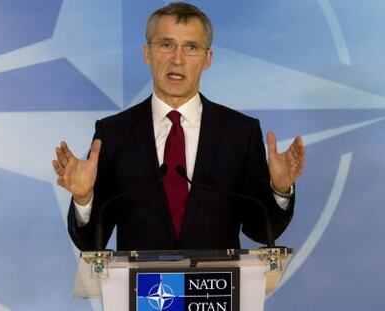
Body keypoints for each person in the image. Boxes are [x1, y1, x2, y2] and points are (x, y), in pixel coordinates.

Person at [52, 2, 305, 251]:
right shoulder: (114, 134)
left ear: (207, 59)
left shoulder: (239, 133)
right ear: (147, 53)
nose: (178, 59)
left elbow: (260, 229)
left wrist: (279, 190)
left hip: (215, 289)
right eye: (166, 45)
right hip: (141, 290)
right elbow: (91, 241)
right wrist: (84, 198)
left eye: (191, 47)